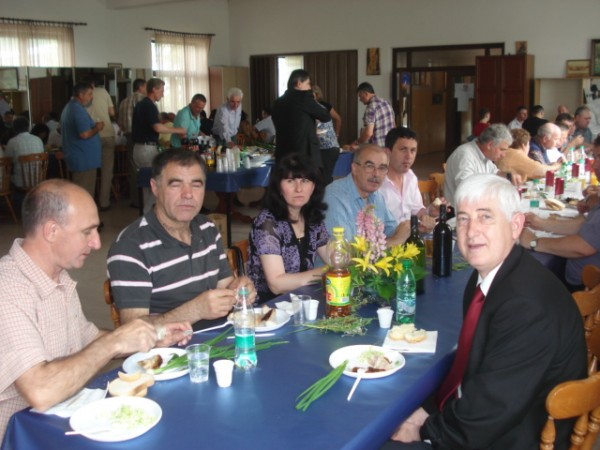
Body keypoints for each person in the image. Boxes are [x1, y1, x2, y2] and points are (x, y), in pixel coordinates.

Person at [384, 174, 587, 449]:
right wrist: (428, 409)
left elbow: (490, 412)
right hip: (493, 411)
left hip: (518, 435)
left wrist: (425, 430)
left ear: (515, 226)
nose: (471, 231)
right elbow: (475, 366)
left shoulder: (526, 307)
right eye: (464, 219)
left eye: (485, 217)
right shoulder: (491, 275)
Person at [0, 179, 192, 439]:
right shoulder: (8, 289)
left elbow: (87, 339)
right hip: (21, 436)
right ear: (51, 231)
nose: (97, 243)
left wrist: (150, 337)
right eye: (87, 232)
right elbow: (41, 391)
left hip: (56, 423)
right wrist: (114, 342)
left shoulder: (57, 277)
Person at [107, 148, 256, 329]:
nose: (188, 194)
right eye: (176, 184)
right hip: (171, 346)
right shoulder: (130, 247)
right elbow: (132, 330)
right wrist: (196, 310)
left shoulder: (207, 228)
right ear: (155, 187)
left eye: (196, 184)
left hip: (221, 336)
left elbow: (226, 286)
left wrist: (240, 289)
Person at [519, 135, 600, 290]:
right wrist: (541, 223)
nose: (595, 164)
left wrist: (534, 242)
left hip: (585, 288)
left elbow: (583, 247)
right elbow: (584, 226)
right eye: (595, 157)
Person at [248, 154, 329, 303]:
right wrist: (326, 271)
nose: (299, 188)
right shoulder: (267, 223)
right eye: (290, 181)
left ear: (313, 187)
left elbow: (334, 258)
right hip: (269, 307)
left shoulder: (312, 217)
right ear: (278, 187)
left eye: (305, 181)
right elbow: (276, 284)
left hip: (302, 299)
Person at [323, 144, 409, 245]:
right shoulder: (334, 196)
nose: (376, 174)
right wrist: (396, 240)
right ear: (354, 168)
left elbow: (392, 230)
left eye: (382, 168)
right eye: (369, 166)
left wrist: (413, 228)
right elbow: (344, 252)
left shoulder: (377, 196)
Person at [131, 78, 186, 211]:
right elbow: (157, 127)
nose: (163, 94)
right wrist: (178, 130)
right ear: (154, 89)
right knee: (153, 187)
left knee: (147, 186)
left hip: (139, 148)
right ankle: (149, 217)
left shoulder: (140, 104)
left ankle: (148, 216)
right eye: (161, 90)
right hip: (146, 149)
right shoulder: (149, 106)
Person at [380, 127, 441, 232]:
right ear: (387, 152)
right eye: (403, 149)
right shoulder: (377, 184)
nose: (409, 156)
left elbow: (416, 210)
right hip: (387, 239)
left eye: (413, 150)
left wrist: (428, 212)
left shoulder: (411, 177)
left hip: (411, 236)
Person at [272, 69, 331, 169]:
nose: (309, 87)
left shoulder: (277, 102)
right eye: (308, 84)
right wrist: (311, 97)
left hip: (283, 153)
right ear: (299, 84)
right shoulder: (304, 98)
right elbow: (325, 116)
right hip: (304, 153)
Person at [443, 124, 515, 205]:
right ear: (490, 145)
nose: (504, 155)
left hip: (478, 204)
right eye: (502, 149)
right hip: (461, 209)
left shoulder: (485, 154)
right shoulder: (465, 155)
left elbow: (495, 173)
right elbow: (466, 190)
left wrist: (509, 175)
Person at [60, 82, 104, 198]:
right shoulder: (77, 109)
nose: (91, 97)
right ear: (81, 94)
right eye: (89, 94)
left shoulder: (70, 107)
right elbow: (84, 134)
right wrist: (97, 128)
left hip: (79, 157)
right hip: (83, 159)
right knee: (84, 194)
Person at [85, 76, 116, 212]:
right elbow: (112, 112)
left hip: (92, 135)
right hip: (107, 133)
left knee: (90, 172)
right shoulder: (103, 92)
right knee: (107, 171)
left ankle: (88, 204)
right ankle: (104, 202)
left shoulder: (81, 97)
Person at [118, 78, 146, 207]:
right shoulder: (142, 100)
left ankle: (135, 199)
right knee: (144, 168)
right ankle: (142, 200)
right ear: (141, 87)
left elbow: (120, 123)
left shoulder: (123, 102)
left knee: (133, 168)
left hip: (128, 137)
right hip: (140, 137)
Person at [352, 82, 395, 148]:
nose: (360, 99)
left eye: (360, 96)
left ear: (366, 93)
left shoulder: (370, 108)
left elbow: (368, 133)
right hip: (390, 146)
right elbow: (394, 125)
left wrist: (357, 142)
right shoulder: (386, 103)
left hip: (377, 148)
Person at [5, 117, 44, 189]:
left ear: (14, 129)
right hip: (38, 179)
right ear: (28, 127)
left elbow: (7, 162)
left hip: (20, 181)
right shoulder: (38, 139)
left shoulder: (12, 142)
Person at [313, 85, 341, 185]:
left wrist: (336, 134)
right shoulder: (318, 107)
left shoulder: (319, 107)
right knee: (323, 177)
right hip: (327, 146)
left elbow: (338, 119)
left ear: (316, 95)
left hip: (327, 147)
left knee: (324, 178)